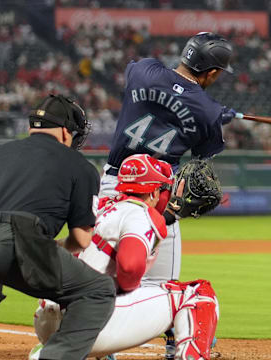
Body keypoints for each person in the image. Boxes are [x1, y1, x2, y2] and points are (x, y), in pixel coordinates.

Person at [0, 94, 116, 360]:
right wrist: (51, 246)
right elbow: (81, 239)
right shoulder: (81, 166)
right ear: (66, 132)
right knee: (98, 291)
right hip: (18, 240)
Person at [30, 154, 219, 360]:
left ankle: (52, 353)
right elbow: (129, 267)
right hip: (89, 323)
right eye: (164, 189)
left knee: (106, 281)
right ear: (154, 190)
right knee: (197, 293)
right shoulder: (140, 214)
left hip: (48, 320)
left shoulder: (104, 206)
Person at [100, 31, 235, 283]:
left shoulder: (143, 70)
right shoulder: (209, 112)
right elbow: (202, 160)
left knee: (99, 278)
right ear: (213, 72)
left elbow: (164, 88)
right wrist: (214, 114)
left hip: (113, 187)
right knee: (162, 287)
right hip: (158, 199)